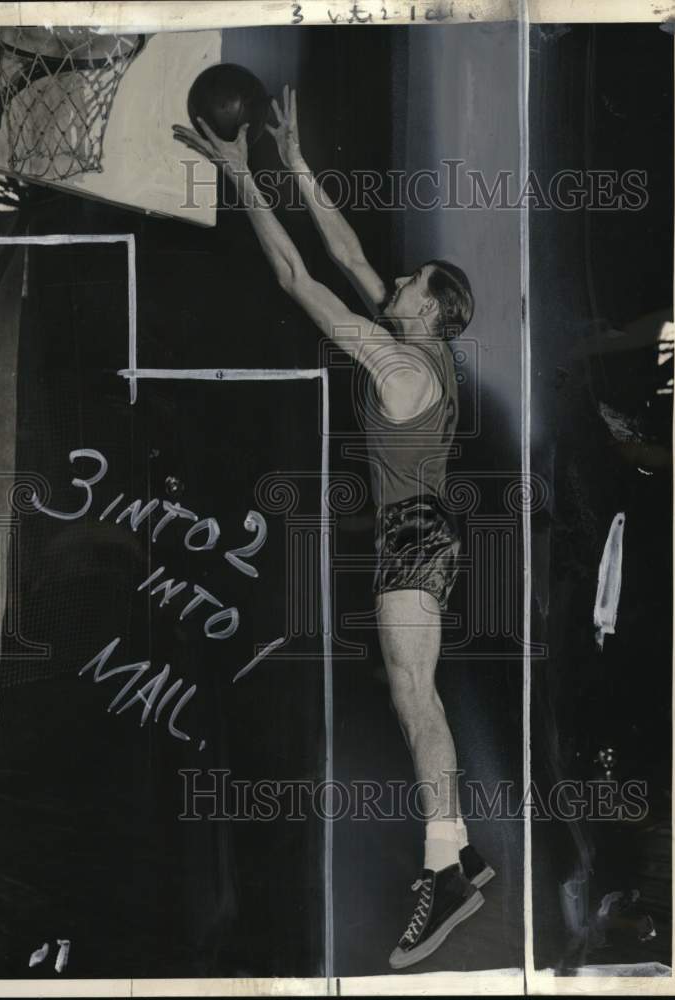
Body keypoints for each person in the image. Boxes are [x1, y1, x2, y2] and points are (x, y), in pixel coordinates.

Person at [173, 85, 494, 970]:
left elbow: (295, 279)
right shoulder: (429, 346)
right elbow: (346, 254)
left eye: (407, 286)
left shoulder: (395, 357)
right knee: (413, 693)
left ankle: (447, 875)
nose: (392, 284)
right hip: (421, 530)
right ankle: (460, 849)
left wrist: (242, 176)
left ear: (427, 310)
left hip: (414, 535)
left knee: (411, 697)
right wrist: (296, 164)